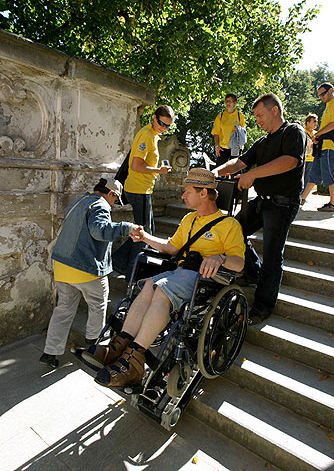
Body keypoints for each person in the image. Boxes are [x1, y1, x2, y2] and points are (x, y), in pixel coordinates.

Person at [86, 168, 245, 389]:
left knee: (161, 288)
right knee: (149, 284)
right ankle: (117, 347)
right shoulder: (189, 219)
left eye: (187, 191)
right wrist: (144, 237)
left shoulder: (229, 225)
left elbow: (239, 263)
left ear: (203, 193)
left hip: (205, 279)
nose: (183, 196)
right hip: (180, 273)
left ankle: (135, 360)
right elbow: (170, 247)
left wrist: (221, 257)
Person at [213, 93, 306, 324]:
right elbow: (239, 162)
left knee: (273, 256)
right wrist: (215, 172)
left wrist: (253, 174)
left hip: (283, 203)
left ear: (275, 110)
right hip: (261, 201)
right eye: (255, 116)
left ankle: (263, 306)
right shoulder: (262, 142)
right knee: (233, 229)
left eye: (260, 115)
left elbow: (290, 161)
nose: (257, 121)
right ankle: (253, 272)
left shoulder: (294, 131)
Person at [39, 178, 140, 368]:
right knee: (98, 306)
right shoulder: (101, 205)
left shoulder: (79, 201)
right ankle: (94, 348)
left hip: (62, 265)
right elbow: (99, 230)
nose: (114, 204)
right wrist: (127, 228)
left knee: (63, 309)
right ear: (111, 194)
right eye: (115, 200)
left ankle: (50, 352)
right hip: (85, 268)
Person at [112, 105, 174, 282]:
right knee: (144, 233)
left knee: (145, 231)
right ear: (154, 118)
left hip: (142, 189)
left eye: (168, 126)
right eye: (162, 123)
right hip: (138, 190)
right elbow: (136, 165)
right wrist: (159, 170)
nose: (164, 128)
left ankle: (118, 262)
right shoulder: (146, 135)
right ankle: (132, 275)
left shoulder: (153, 135)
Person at [301, 83, 334, 211]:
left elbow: (332, 124)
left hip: (330, 146)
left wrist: (318, 134)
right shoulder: (327, 106)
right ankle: (302, 198)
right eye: (319, 95)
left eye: (323, 94)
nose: (321, 97)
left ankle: (332, 204)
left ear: (330, 90)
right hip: (323, 146)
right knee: (314, 174)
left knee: (330, 174)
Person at [211, 94, 246, 167]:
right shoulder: (220, 116)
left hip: (235, 148)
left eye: (230, 101)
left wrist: (238, 130)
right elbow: (216, 133)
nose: (228, 103)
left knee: (235, 173)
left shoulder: (240, 116)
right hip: (222, 148)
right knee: (219, 173)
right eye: (226, 101)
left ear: (235, 103)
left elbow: (243, 133)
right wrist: (217, 146)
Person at [301, 113, 318, 200]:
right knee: (301, 178)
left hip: (312, 159)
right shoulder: (302, 132)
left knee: (308, 178)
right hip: (303, 159)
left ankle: (302, 197)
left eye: (317, 121)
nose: (316, 123)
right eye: (314, 121)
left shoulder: (316, 134)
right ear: (307, 122)